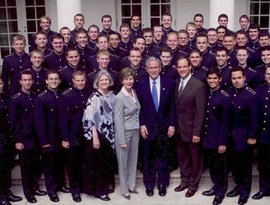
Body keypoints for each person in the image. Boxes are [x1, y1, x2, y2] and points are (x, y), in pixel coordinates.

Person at [137, 57, 175, 197]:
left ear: (160, 68)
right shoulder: (140, 84)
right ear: (146, 69)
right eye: (150, 68)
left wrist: (172, 124)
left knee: (164, 157)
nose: (153, 70)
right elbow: (138, 107)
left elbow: (172, 105)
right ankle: (149, 184)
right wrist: (141, 124)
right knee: (148, 157)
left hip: (164, 127)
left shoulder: (169, 82)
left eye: (156, 67)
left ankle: (162, 184)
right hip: (148, 128)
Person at [9, 70, 46, 203]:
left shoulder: (36, 96)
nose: (27, 82)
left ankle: (35, 187)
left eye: (29, 80)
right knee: (26, 167)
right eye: (25, 80)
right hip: (24, 138)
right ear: (20, 82)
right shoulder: (16, 99)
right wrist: (18, 140)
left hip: (36, 136)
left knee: (36, 164)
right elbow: (14, 122)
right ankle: (28, 192)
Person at [174, 57, 207, 198]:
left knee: (195, 159)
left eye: (184, 67)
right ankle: (184, 181)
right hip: (179, 129)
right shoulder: (176, 83)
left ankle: (193, 184)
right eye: (179, 67)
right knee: (183, 157)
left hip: (192, 130)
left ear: (189, 67)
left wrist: (197, 132)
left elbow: (201, 112)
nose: (182, 69)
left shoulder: (198, 85)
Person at [226, 66, 259, 205]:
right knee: (234, 165)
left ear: (244, 78)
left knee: (244, 166)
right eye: (234, 78)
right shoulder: (228, 92)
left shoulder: (251, 95)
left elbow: (254, 118)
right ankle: (238, 186)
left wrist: (252, 136)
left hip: (244, 137)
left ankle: (244, 192)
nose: (236, 81)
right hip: (230, 137)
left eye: (239, 78)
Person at [82, 70, 116, 201]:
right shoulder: (94, 97)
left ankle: (106, 186)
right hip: (99, 134)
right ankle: (100, 191)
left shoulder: (112, 95)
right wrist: (95, 137)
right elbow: (90, 118)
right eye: (101, 80)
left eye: (106, 80)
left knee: (107, 163)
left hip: (110, 134)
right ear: (97, 82)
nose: (104, 82)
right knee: (98, 164)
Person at [201, 68, 232, 205]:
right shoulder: (208, 93)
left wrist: (222, 143)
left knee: (220, 167)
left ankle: (220, 192)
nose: (212, 81)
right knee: (213, 165)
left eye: (215, 78)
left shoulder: (224, 96)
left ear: (220, 79)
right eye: (210, 78)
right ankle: (215, 186)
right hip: (209, 137)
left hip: (219, 139)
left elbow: (225, 122)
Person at [34, 70, 65, 202]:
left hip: (60, 136)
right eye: (51, 79)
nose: (53, 81)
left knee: (59, 163)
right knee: (49, 165)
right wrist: (44, 141)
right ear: (46, 81)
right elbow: (39, 122)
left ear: (59, 81)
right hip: (48, 137)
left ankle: (60, 185)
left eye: (56, 79)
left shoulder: (61, 96)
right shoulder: (41, 98)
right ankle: (51, 191)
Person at [59, 70, 89, 203]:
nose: (81, 83)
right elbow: (63, 119)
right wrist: (65, 138)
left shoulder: (89, 93)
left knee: (84, 163)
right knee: (73, 165)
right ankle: (75, 191)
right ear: (73, 81)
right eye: (78, 80)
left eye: (82, 80)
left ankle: (83, 186)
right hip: (72, 135)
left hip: (86, 134)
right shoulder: (66, 96)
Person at [114, 68, 141, 200]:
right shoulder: (119, 97)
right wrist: (122, 140)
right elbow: (118, 120)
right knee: (123, 162)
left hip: (135, 130)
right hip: (124, 133)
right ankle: (124, 189)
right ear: (121, 81)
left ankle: (131, 185)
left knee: (133, 160)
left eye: (131, 78)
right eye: (126, 79)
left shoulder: (134, 92)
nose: (129, 81)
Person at [0, 75, 23, 205]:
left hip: (7, 137)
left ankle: (6, 190)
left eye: (0, 83)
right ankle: (1, 196)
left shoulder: (6, 98)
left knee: (7, 166)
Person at [253, 66, 270, 200]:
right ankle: (264, 189)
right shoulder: (259, 90)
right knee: (263, 164)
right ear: (264, 76)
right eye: (268, 74)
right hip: (263, 134)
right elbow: (255, 115)